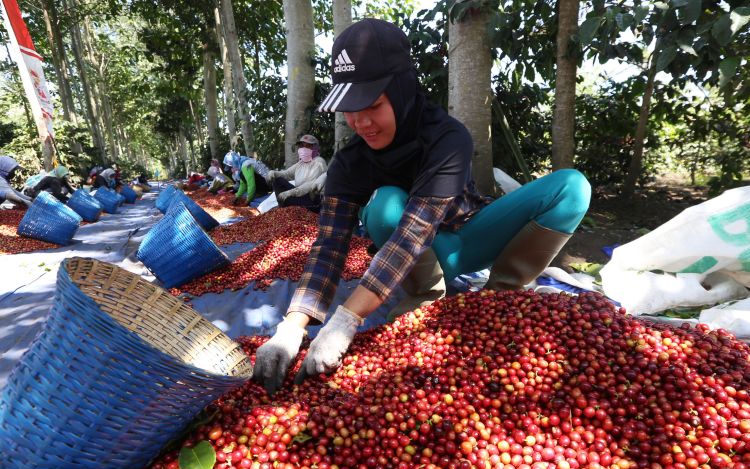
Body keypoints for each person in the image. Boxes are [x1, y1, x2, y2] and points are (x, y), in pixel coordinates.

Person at [252, 19, 591, 394]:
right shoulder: (350, 163)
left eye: (373, 105)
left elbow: (415, 231)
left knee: (572, 188)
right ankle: (425, 298)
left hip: (466, 237)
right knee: (383, 206)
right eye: (350, 109)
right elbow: (329, 245)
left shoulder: (447, 138)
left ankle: (500, 300)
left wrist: (346, 320)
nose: (361, 122)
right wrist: (291, 328)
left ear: (401, 89)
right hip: (418, 263)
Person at [266, 134, 328, 211]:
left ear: (314, 148)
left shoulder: (319, 162)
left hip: (313, 200)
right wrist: (274, 173)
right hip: (301, 195)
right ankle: (283, 206)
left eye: (307, 146)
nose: (303, 149)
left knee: (287, 199)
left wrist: (290, 193)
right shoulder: (301, 163)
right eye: (302, 146)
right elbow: (287, 174)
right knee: (277, 180)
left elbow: (310, 185)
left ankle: (284, 207)